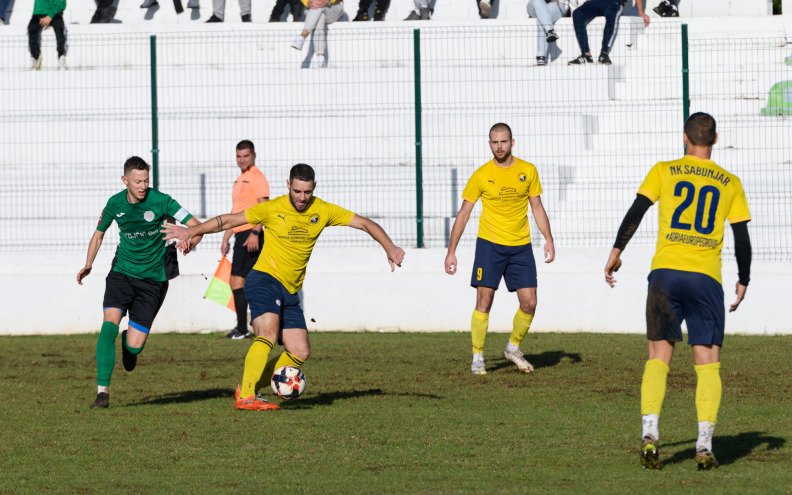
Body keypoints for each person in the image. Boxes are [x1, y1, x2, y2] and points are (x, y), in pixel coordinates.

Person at [162, 163, 405, 411]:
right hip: (263, 280)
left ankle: (250, 387)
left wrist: (390, 247)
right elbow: (229, 220)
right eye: (297, 191)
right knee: (266, 333)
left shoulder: (324, 210)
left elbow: (365, 224)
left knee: (300, 351)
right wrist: (192, 230)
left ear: (314, 188)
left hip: (290, 290)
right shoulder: (272, 208)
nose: (301, 198)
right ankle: (245, 397)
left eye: (307, 192)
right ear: (288, 185)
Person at [604, 112, 752, 470]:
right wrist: (743, 278)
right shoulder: (729, 182)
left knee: (658, 357)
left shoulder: (664, 170)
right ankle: (703, 444)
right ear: (715, 140)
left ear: (684, 139)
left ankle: (650, 433)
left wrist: (616, 251)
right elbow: (741, 238)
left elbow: (636, 211)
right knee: (708, 364)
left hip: (666, 274)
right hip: (705, 278)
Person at [77, 156, 204, 409]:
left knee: (134, 347)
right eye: (137, 181)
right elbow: (99, 234)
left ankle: (128, 345)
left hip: (153, 280)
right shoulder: (114, 204)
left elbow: (197, 226)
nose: (143, 185)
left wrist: (190, 241)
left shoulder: (163, 201)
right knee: (108, 326)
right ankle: (102, 393)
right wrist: (88, 263)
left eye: (146, 180)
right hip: (122, 273)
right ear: (125, 181)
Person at [445, 123, 555, 375]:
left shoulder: (527, 170)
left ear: (512, 142)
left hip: (521, 246)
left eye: (503, 141)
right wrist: (452, 251)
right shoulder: (481, 174)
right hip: (490, 245)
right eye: (494, 142)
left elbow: (537, 207)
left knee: (530, 302)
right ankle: (477, 356)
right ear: (489, 144)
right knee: (484, 299)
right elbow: (463, 214)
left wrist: (548, 238)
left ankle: (512, 348)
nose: (499, 146)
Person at [222, 140, 270, 340]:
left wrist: (255, 233)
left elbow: (264, 210)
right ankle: (245, 327)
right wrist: (226, 237)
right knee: (244, 281)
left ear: (254, 156)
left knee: (239, 281)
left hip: (250, 234)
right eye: (238, 156)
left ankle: (243, 329)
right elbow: (236, 212)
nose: (242, 160)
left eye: (245, 156)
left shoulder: (257, 178)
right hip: (240, 234)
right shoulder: (241, 178)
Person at [568, 0, 649, 66]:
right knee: (577, 14)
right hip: (595, 2)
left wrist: (641, 12)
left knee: (611, 15)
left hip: (614, 2)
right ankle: (586, 55)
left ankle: (604, 53)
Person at [290, 0, 344, 68]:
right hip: (314, 8)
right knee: (320, 15)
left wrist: (327, 1)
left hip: (333, 7)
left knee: (318, 6)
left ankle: (303, 36)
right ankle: (320, 58)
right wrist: (307, 2)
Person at [527, 0, 576, 66]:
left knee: (541, 19)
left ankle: (540, 55)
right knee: (538, 2)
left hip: (557, 4)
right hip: (536, 4)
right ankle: (549, 31)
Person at [28, 0, 67, 70]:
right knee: (32, 28)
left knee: (59, 26)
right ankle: (36, 56)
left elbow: (62, 5)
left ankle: (61, 55)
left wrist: (50, 16)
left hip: (55, 13)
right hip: (39, 13)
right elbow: (38, 7)